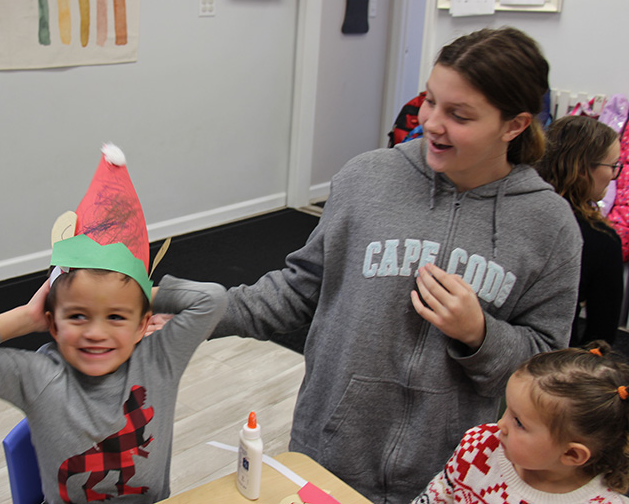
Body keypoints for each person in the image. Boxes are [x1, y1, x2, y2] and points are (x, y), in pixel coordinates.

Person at [210, 27, 583, 503]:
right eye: (430, 101)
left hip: (454, 477)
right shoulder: (367, 177)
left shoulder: (549, 225)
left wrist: (479, 334)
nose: (431, 122)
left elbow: (547, 368)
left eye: (459, 114)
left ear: (514, 125)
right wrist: (196, 309)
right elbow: (298, 291)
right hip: (330, 454)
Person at [0, 144, 228, 503]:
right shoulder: (38, 376)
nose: (96, 333)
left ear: (142, 323)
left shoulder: (158, 362)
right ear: (53, 325)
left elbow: (212, 300)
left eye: (115, 316)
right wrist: (27, 316)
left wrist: (135, 290)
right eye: (77, 316)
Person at [413, 341, 629, 503]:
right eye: (507, 410)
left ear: (571, 454)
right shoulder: (480, 446)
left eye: (519, 422)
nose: (500, 425)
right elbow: (438, 495)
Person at [535, 116, 623, 346]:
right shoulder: (600, 240)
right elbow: (600, 340)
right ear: (583, 168)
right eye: (613, 166)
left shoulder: (513, 210)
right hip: (550, 367)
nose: (614, 175)